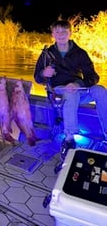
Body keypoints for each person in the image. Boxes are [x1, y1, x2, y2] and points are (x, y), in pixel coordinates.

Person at [34, 19, 107, 158]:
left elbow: (93, 77)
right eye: (57, 31)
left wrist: (78, 85)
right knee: (70, 94)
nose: (61, 34)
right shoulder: (46, 54)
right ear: (53, 34)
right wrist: (44, 73)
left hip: (78, 90)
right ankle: (69, 139)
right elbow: (37, 78)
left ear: (70, 33)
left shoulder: (80, 53)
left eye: (64, 31)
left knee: (101, 90)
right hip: (58, 93)